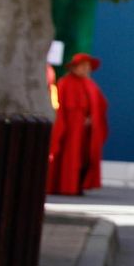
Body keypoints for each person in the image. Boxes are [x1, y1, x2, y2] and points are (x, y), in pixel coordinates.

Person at [47, 53, 108, 196]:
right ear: (74, 68)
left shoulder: (90, 85)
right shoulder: (64, 83)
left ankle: (77, 185)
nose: (86, 69)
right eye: (83, 66)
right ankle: (64, 186)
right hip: (69, 128)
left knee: (83, 158)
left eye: (88, 66)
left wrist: (92, 118)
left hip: (85, 131)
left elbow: (100, 105)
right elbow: (59, 107)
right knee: (68, 157)